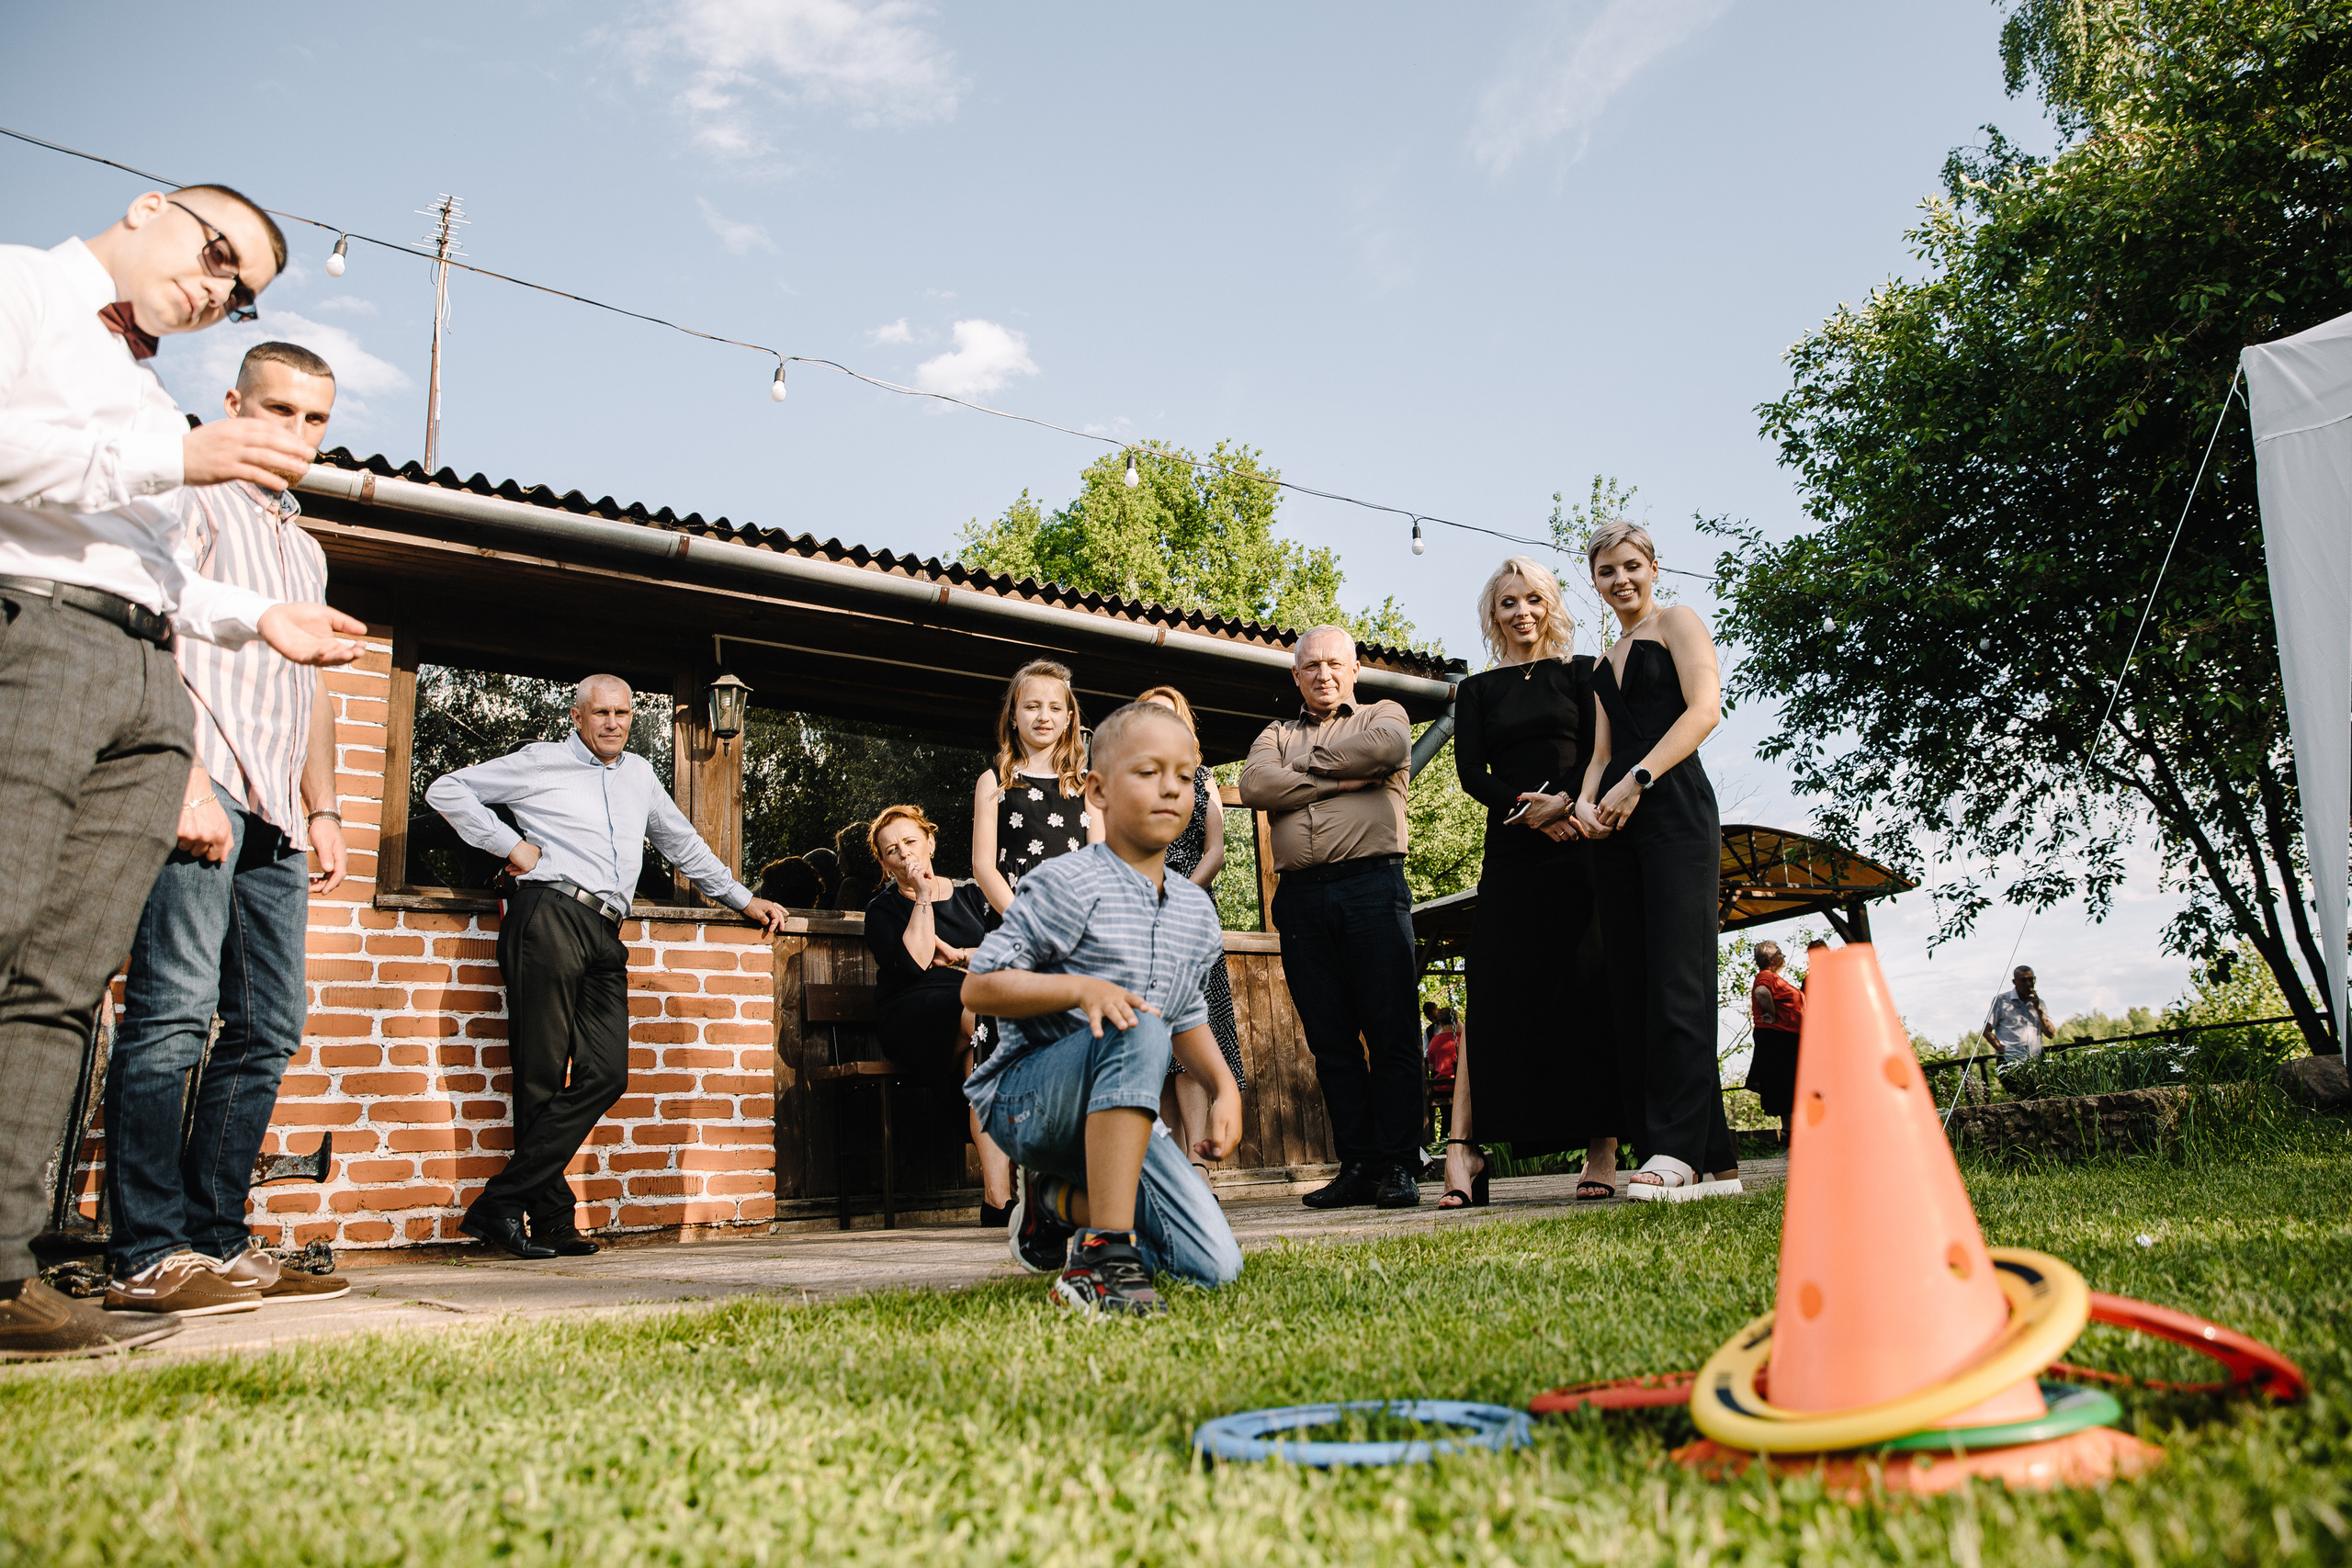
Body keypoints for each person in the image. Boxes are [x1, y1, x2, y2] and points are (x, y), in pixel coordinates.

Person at [0, 187, 368, 1362]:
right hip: (85, 680)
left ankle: (100, 1252)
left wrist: (269, 634)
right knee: (151, 1013)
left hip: (200, 736)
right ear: (148, 209)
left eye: (240, 284)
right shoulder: (33, 302)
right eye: (216, 256)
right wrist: (190, 778)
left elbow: (179, 604)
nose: (218, 287)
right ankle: (147, 1248)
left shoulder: (176, 421)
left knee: (111, 999)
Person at [103, 344, 361, 1320]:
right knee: (172, 1012)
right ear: (232, 405)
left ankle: (216, 1236)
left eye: (313, 420)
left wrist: (325, 808)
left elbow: (312, 687)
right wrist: (184, 777)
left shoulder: (305, 545)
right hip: (202, 781)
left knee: (265, 1028)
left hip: (281, 816)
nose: (296, 435)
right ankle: (147, 1252)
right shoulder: (192, 498)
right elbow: (156, 631)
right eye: (279, 411)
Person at [425, 674, 788, 1258]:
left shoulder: (640, 775)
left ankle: (499, 1203)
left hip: (605, 930)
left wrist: (743, 899)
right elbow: (446, 790)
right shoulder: (541, 763)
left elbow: (682, 843)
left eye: (623, 712)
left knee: (606, 1073)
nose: (613, 723)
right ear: (577, 716)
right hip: (548, 914)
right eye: (601, 713)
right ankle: (550, 1219)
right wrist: (510, 846)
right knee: (540, 1075)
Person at [962, 702, 1244, 1317]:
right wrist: (1079, 990)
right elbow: (979, 986)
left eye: (1183, 774)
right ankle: (1102, 1256)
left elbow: (1186, 1010)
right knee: (1135, 1021)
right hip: (1031, 1102)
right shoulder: (1070, 882)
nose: (1171, 786)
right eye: (1148, 771)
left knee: (1215, 1263)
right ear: (1097, 790)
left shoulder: (1194, 909)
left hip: (1118, 1117)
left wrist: (1225, 1088)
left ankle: (1055, 1204)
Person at [1574, 522, 1741, 1202]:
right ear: (1595, 581)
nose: (1621, 579)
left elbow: (1706, 710)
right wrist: (1586, 800)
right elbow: (1597, 754)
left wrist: (1638, 778)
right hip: (1616, 829)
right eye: (1608, 570)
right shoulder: (1602, 662)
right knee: (1636, 985)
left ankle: (1675, 1149)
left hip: (1673, 812)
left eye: (1632, 565)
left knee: (1681, 975)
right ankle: (1712, 1155)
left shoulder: (1679, 622)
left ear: (1654, 567)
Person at [1446, 557, 1618, 1210]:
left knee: (1589, 987)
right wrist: (1530, 810)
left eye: (1533, 600)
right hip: (1513, 851)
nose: (1522, 613)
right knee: (1497, 986)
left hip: (1581, 845)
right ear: (1494, 616)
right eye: (1509, 603)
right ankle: (1471, 1147)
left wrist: (1568, 804)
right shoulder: (1478, 691)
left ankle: (1600, 1147)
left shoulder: (1585, 674)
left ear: (1550, 606)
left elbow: (1604, 751)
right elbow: (1470, 774)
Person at [1238, 626, 1422, 1210]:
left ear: (1354, 670)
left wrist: (1302, 773)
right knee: (1331, 1039)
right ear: (1296, 675)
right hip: (1300, 898)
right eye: (1311, 665)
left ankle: (1398, 1164)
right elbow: (1253, 784)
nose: (1323, 674)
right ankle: (1359, 1164)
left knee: (1391, 1030)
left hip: (1372, 886)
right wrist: (1342, 779)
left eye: (1334, 664)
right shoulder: (1275, 732)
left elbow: (1389, 749)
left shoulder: (1383, 711)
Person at [860, 804, 1010, 1224]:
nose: (904, 853)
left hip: (972, 1003)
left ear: (930, 840)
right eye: (892, 850)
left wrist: (961, 955)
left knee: (982, 1059)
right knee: (988, 1023)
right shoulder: (883, 909)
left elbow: (1005, 953)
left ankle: (997, 1201)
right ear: (884, 863)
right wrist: (923, 896)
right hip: (913, 1011)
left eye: (910, 841)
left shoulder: (972, 895)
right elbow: (914, 963)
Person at [1136, 685, 1247, 1193]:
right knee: (1153, 1047)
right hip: (1136, 916)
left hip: (1189, 909)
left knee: (1193, 1042)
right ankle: (1165, 1171)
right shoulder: (1129, 777)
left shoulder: (1204, 780)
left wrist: (1178, 896)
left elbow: (1216, 852)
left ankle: (1198, 1167)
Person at [972, 658, 1102, 913]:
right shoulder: (994, 781)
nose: (1044, 717)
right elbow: (982, 866)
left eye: (1055, 708)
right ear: (1013, 715)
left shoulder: (1087, 784)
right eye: (1032, 706)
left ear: (1068, 719)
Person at [1745, 941, 1804, 1145]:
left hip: (1784, 1036)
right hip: (1779, 1037)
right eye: (1780, 953)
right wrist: (1771, 1012)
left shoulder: (1774, 978)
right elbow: (1761, 992)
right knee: (1788, 1083)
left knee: (1788, 1084)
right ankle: (1792, 1132)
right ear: (1771, 959)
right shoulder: (1766, 976)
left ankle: (1791, 1131)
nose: (1784, 957)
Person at [1984, 966, 2056, 1066]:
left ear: (2035, 980)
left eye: (2030, 979)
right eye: (2023, 980)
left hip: (2035, 1061)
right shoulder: (2002, 1001)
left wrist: (2039, 1011)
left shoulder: (2040, 1004)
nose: (2028, 984)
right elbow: (1986, 1031)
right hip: (2010, 1061)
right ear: (2015, 982)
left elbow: (2050, 1034)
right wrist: (2002, 1049)